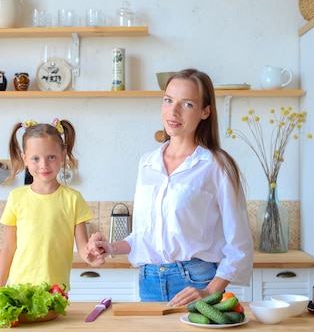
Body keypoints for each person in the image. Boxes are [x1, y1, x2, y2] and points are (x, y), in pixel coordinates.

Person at [88, 68, 254, 307]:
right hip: (149, 282)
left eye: (186, 104)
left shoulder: (216, 165)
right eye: (168, 100)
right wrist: (111, 247)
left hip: (196, 282)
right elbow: (146, 237)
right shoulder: (147, 163)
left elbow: (239, 245)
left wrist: (208, 291)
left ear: (205, 112)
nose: (173, 111)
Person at [0, 118, 96, 332]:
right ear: (24, 158)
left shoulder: (73, 199)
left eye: (51, 156)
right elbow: (9, 247)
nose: (44, 165)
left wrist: (95, 250)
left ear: (63, 155)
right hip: (18, 293)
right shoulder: (16, 198)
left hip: (55, 295)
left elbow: (84, 250)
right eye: (36, 158)